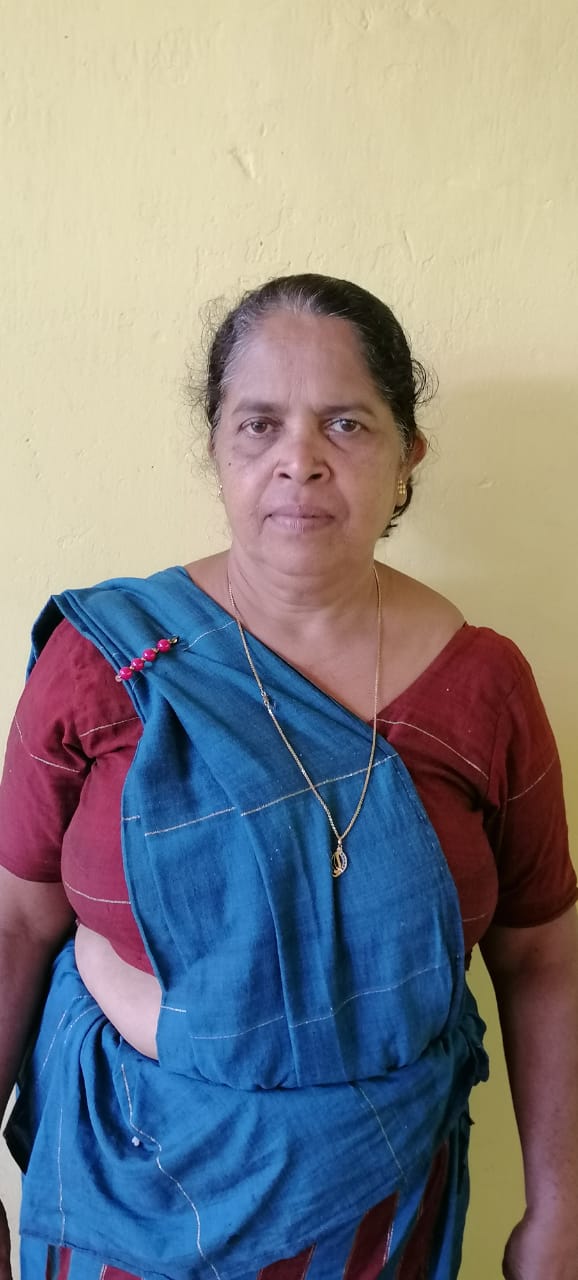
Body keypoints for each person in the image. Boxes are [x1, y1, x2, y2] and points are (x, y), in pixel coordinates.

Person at [0, 274, 577, 1280]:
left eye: (346, 424)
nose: (297, 460)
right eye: (258, 423)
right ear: (217, 449)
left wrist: (560, 1210)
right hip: (122, 1191)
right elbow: (15, 923)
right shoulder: (108, 661)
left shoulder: (482, 688)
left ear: (407, 457)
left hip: (381, 1212)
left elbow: (541, 957)